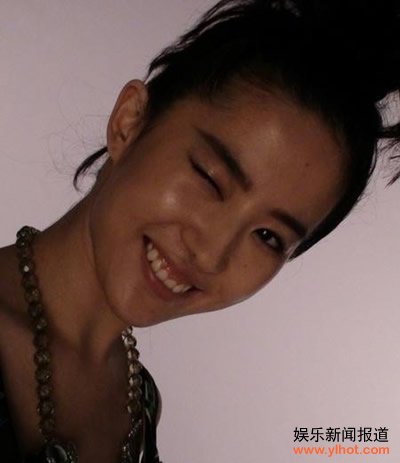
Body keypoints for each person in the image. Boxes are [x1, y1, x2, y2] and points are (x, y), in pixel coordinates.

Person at [0, 0, 399, 461]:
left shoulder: (138, 399)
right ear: (129, 123)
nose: (211, 255)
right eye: (210, 178)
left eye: (268, 236)